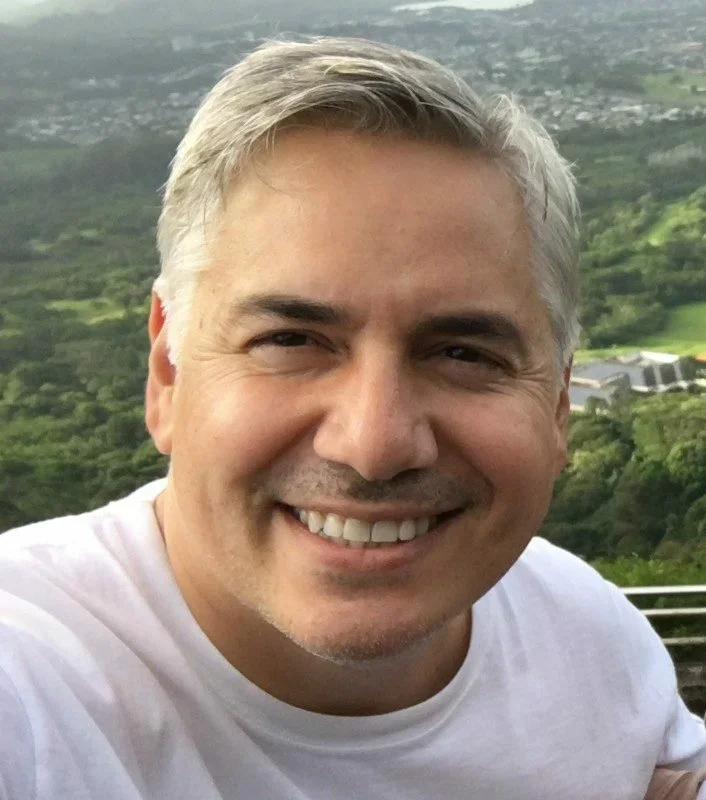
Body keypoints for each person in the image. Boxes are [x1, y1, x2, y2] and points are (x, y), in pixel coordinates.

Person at [0, 37, 704, 800]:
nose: (374, 444)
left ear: (559, 405)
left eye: (463, 353)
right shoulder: (34, 682)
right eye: (290, 341)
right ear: (169, 370)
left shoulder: (594, 640)